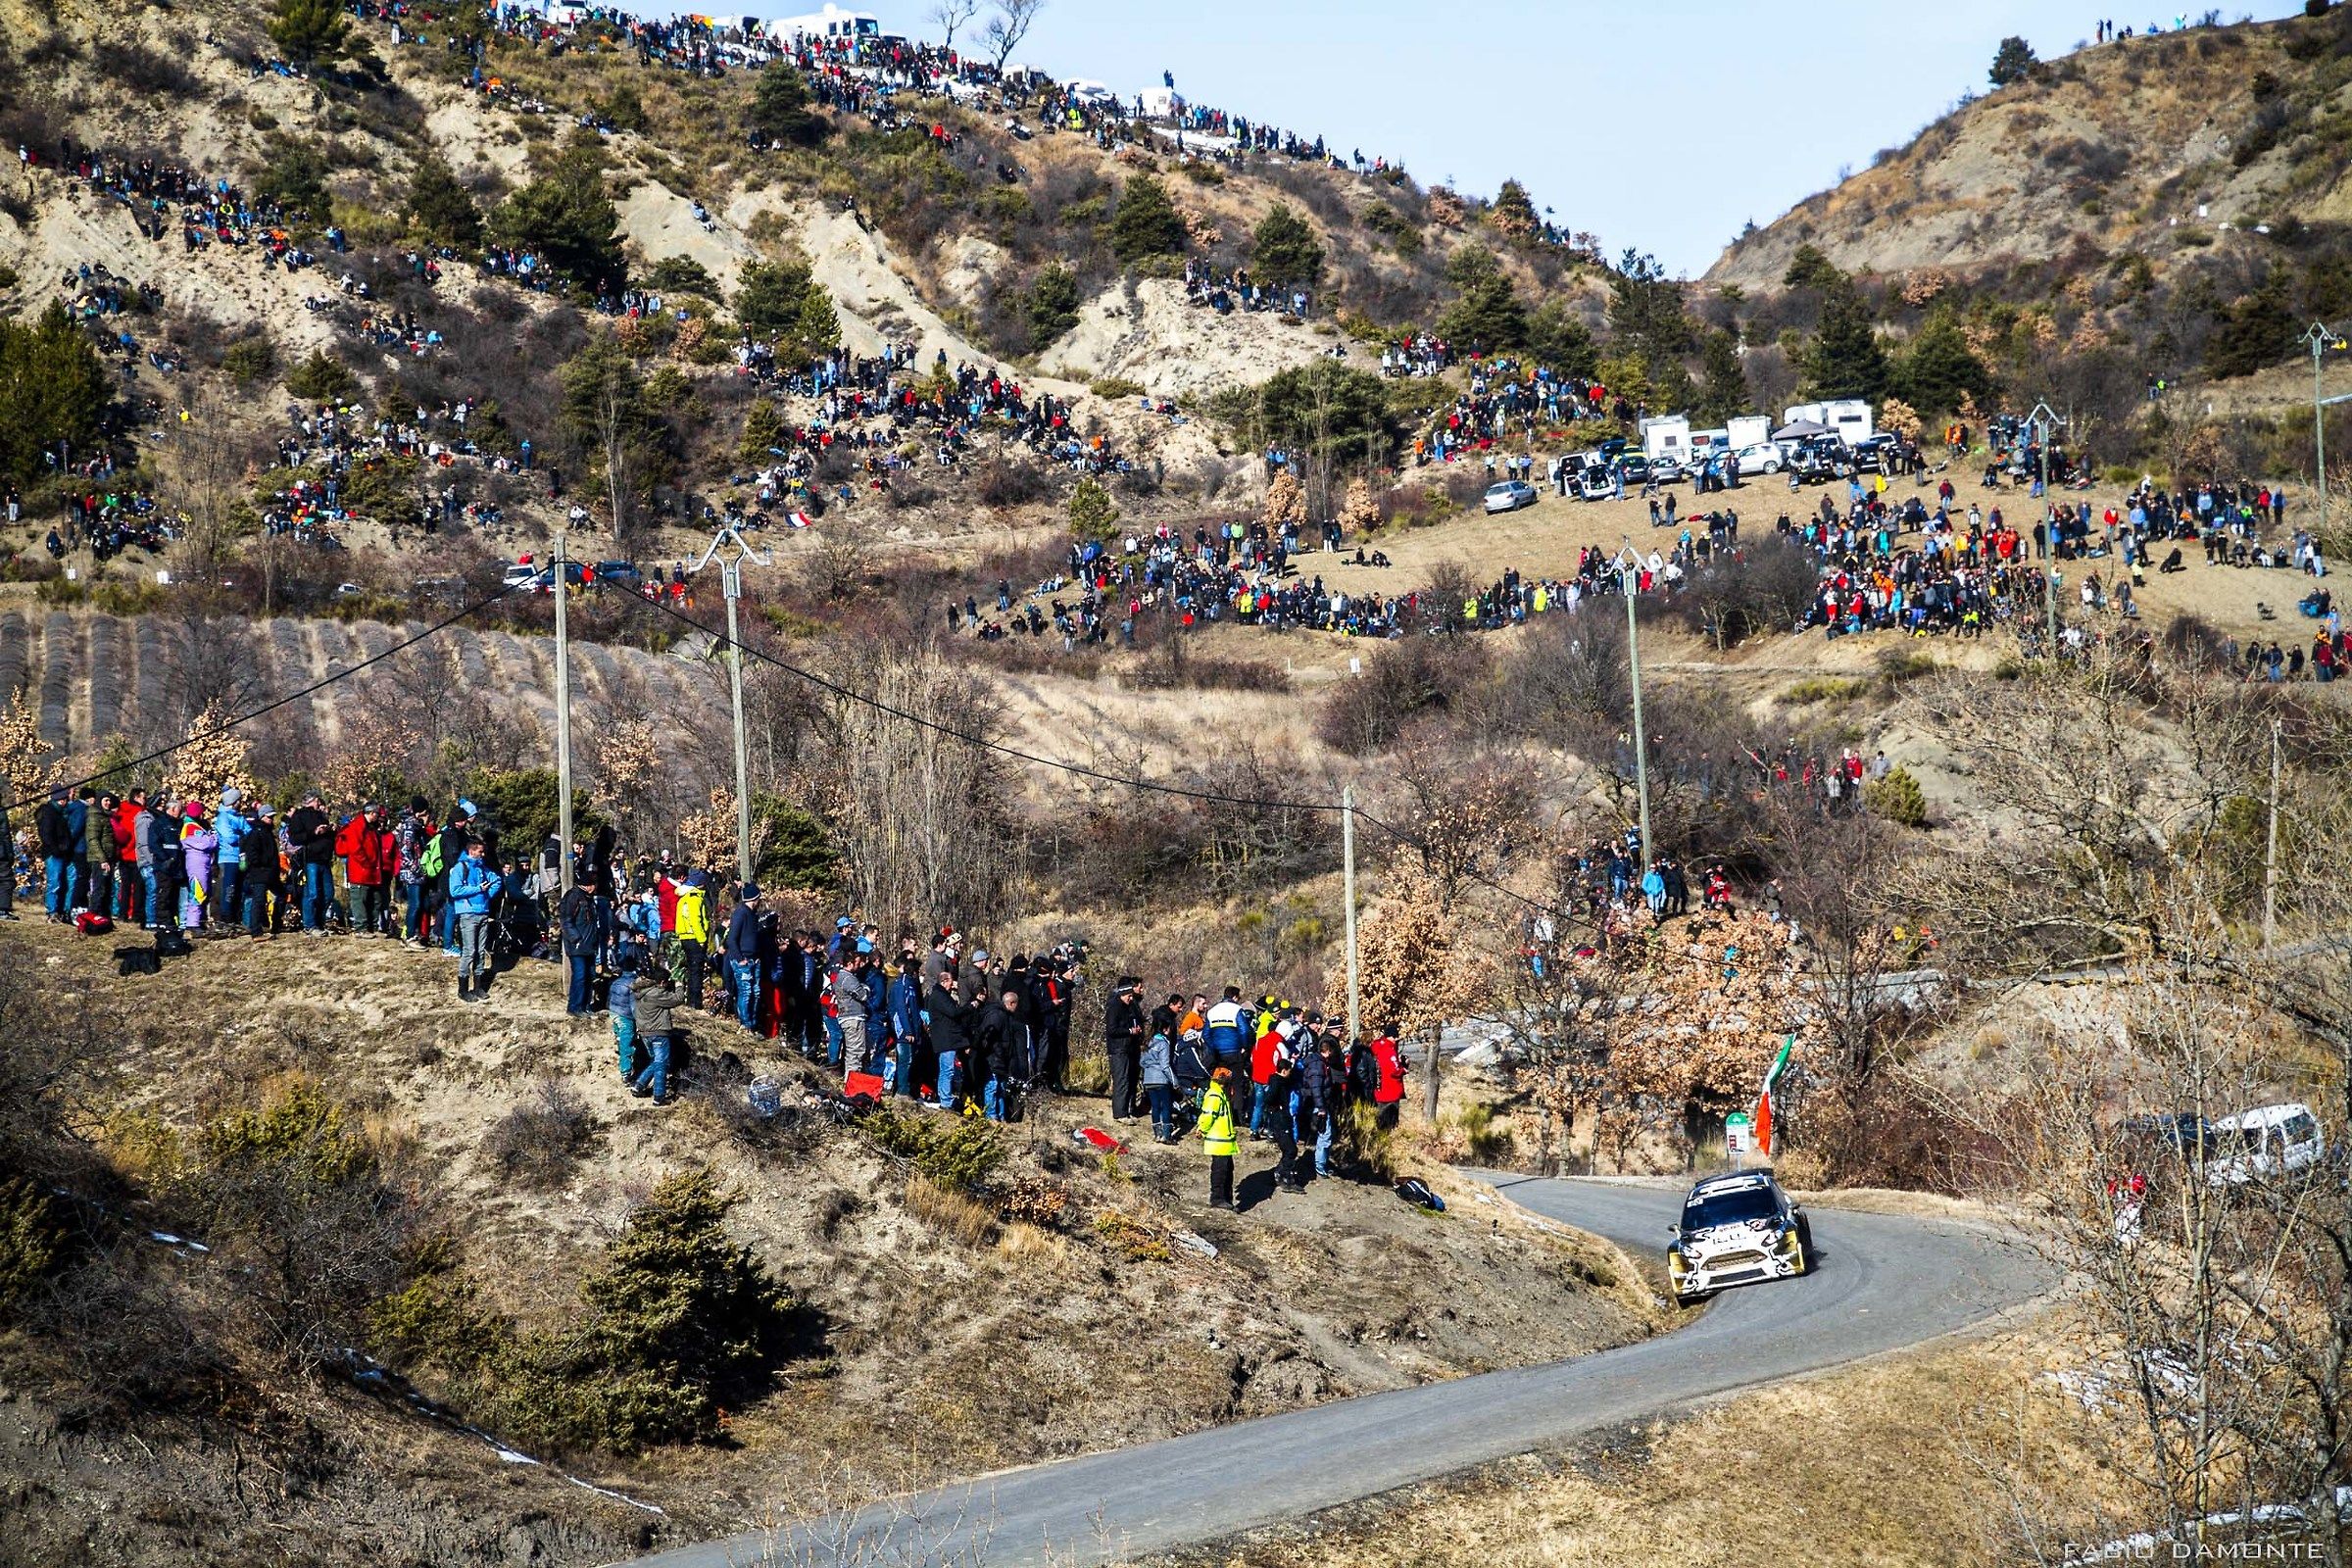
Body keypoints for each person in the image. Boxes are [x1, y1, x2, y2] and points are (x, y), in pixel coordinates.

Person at [449, 837, 503, 1002]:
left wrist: (487, 896)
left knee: (480, 951)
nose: (483, 854)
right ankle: (463, 989)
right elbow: (455, 891)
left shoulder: (482, 868)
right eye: (480, 851)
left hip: (483, 912)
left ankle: (478, 987)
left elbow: (497, 880)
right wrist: (478, 890)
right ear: (471, 851)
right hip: (467, 914)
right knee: (469, 951)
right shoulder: (459, 868)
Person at [630, 970, 687, 1104]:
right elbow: (678, 999)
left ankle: (639, 1086)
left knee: (656, 1061)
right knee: (661, 1064)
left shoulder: (641, 992)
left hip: (645, 1033)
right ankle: (659, 1097)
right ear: (662, 982)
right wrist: (679, 985)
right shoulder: (656, 993)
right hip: (658, 1033)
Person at [1103, 974, 1146, 1122]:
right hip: (1118, 1049)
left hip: (1128, 1048)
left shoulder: (1129, 1007)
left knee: (1128, 1079)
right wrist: (1129, 1031)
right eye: (1128, 995)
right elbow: (1112, 1030)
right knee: (1121, 1080)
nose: (1131, 998)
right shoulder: (1115, 1007)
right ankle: (1120, 1113)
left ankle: (1128, 1109)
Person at [1200, 1065, 1240, 1210]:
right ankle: (1217, 1199)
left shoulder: (1220, 1094)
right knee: (1220, 1171)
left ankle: (1226, 1200)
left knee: (1227, 1171)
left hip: (1225, 1141)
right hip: (1219, 1141)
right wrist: (1202, 1130)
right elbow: (1208, 1116)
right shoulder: (1215, 1095)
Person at [726, 884, 765, 1031]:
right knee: (746, 992)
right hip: (743, 960)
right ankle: (745, 1024)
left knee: (756, 992)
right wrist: (740, 958)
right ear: (754, 899)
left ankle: (753, 1024)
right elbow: (732, 939)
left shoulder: (753, 915)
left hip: (755, 959)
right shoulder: (740, 913)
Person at [242, 804, 282, 938]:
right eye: (269, 816)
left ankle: (275, 925)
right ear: (262, 817)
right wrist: (264, 863)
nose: (271, 819)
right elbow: (252, 854)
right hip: (259, 872)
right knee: (258, 900)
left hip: (270, 873)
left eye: (272, 816)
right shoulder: (256, 833)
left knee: (282, 895)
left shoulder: (268, 832)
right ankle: (256, 931)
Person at [559, 882, 599, 1015]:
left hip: (589, 944)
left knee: (590, 975)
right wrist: (575, 939)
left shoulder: (589, 899)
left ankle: (585, 1005)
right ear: (588, 884)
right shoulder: (573, 896)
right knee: (580, 976)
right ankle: (574, 1007)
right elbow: (566, 921)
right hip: (577, 945)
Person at [1141, 1028, 1177, 1143]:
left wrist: (1151, 1065)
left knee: (1155, 1106)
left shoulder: (1148, 1042)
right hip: (1161, 1079)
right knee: (1166, 1106)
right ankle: (1166, 1135)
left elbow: (1141, 1062)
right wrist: (1174, 1081)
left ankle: (1157, 1133)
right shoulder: (1164, 1044)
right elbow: (1165, 1065)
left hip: (1149, 1079)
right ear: (1165, 1029)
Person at [610, 959, 641, 1083]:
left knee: (621, 1041)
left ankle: (619, 1047)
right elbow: (634, 1006)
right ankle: (626, 1073)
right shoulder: (633, 984)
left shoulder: (615, 982)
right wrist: (639, 1020)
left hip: (614, 1013)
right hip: (626, 1017)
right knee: (626, 1045)